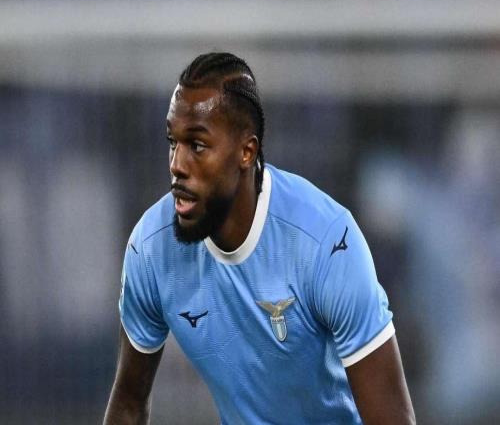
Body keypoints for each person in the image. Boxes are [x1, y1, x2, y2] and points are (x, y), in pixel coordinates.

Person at [104, 52, 416, 425]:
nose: (176, 164)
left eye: (197, 145)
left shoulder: (326, 242)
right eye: (173, 142)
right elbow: (128, 404)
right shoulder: (151, 248)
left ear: (246, 151)